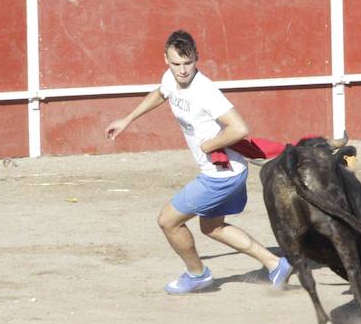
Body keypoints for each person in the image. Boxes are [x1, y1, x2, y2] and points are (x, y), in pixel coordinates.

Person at [105, 30, 293, 294]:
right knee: (212, 227)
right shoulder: (171, 78)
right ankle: (276, 264)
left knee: (168, 221)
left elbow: (239, 128)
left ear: (197, 58)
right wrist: (127, 120)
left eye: (188, 63)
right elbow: (161, 93)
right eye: (176, 64)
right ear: (166, 60)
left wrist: (209, 145)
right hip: (230, 171)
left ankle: (197, 275)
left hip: (220, 175)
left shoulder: (205, 91)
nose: (182, 71)